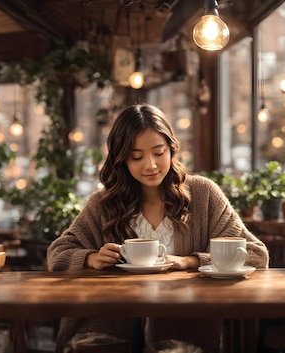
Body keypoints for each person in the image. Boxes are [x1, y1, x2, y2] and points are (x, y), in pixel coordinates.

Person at [47, 103, 269, 353]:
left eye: (159, 152)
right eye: (137, 157)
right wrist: (90, 258)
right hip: (107, 332)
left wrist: (192, 261)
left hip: (184, 337)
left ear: (172, 149)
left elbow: (256, 254)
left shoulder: (202, 195)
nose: (150, 165)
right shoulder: (104, 204)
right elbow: (58, 253)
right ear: (121, 159)